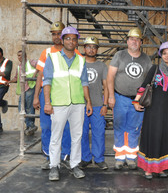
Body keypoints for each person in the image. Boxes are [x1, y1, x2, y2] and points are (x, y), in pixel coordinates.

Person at [43, 26, 93, 181]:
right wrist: (47, 102)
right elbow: (47, 81)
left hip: (78, 103)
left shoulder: (81, 60)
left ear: (77, 42)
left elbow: (84, 82)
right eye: (68, 38)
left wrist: (88, 102)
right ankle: (54, 166)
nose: (71, 41)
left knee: (77, 135)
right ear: (63, 40)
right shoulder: (52, 58)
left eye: (74, 38)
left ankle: (75, 164)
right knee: (56, 136)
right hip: (58, 103)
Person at [33, 21, 81, 170]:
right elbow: (41, 76)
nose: (56, 36)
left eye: (58, 33)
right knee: (47, 126)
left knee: (66, 127)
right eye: (53, 34)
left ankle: (65, 156)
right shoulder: (46, 52)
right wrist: (36, 96)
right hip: (48, 94)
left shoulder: (76, 53)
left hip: (66, 96)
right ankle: (50, 157)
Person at [133, 42, 168, 179]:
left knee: (164, 138)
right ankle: (149, 169)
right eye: (164, 53)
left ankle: (161, 168)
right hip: (152, 111)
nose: (167, 56)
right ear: (161, 55)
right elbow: (144, 86)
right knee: (152, 137)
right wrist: (136, 101)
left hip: (167, 112)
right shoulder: (154, 69)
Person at [107, 27, 152, 170]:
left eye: (137, 39)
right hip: (120, 97)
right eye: (132, 39)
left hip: (137, 101)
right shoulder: (119, 55)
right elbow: (110, 77)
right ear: (127, 41)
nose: (134, 41)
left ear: (141, 42)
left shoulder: (146, 59)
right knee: (119, 126)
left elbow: (149, 81)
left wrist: (144, 99)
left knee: (134, 128)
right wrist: (111, 96)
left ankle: (131, 157)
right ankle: (120, 158)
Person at [79, 36, 109, 170]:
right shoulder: (78, 63)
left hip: (97, 105)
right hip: (80, 105)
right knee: (82, 132)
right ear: (84, 48)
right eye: (88, 47)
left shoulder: (102, 66)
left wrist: (105, 104)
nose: (91, 49)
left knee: (99, 132)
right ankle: (85, 158)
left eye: (94, 47)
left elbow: (106, 86)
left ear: (97, 49)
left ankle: (99, 159)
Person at [8, 50, 38, 135]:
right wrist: (9, 81)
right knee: (21, 109)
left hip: (30, 87)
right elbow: (16, 78)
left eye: (21, 55)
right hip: (23, 90)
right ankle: (30, 125)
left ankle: (30, 126)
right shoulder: (19, 67)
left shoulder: (30, 62)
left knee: (29, 107)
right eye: (18, 56)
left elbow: (40, 65)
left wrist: (34, 75)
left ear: (25, 56)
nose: (19, 57)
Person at [0, 47, 12, 133]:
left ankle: (4, 103)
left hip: (3, 85)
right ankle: (0, 127)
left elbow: (6, 73)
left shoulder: (8, 62)